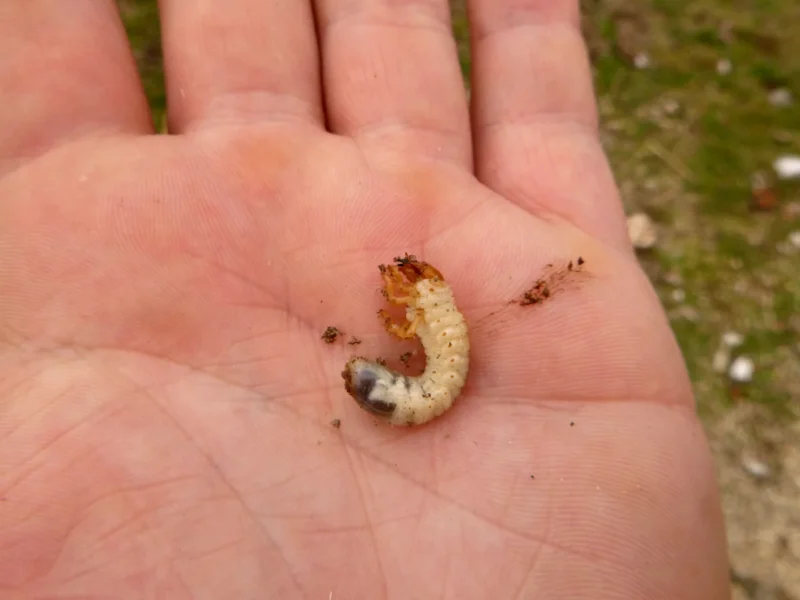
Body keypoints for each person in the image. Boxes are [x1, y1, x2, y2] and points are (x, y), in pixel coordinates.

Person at [0, 2, 730, 598]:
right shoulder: (427, 325)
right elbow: (419, 330)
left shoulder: (429, 334)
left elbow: (422, 335)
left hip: (427, 391)